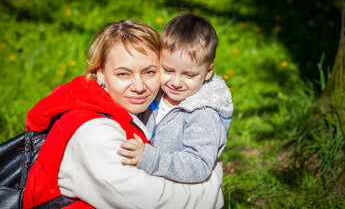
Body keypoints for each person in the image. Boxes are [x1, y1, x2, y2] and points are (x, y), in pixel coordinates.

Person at [22, 19, 224, 209]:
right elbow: (150, 201)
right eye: (123, 74)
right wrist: (212, 181)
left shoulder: (127, 110)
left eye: (150, 72)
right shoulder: (93, 132)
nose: (138, 86)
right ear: (100, 72)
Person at [118, 13, 233, 183]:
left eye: (189, 75)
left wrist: (151, 159)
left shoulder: (203, 115)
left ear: (208, 72)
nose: (177, 82)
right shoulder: (155, 95)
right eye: (169, 70)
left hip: (181, 195)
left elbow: (199, 165)